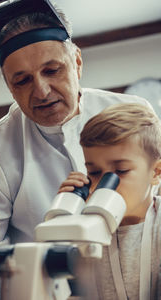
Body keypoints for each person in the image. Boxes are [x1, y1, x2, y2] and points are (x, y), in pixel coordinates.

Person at [0, 0, 152, 299]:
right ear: (9, 87)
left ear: (77, 61)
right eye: (22, 81)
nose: (41, 91)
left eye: (52, 70)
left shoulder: (133, 112)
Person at [58, 102, 161, 299]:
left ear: (156, 172)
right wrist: (64, 222)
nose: (104, 185)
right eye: (94, 173)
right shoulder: (86, 230)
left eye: (120, 171)